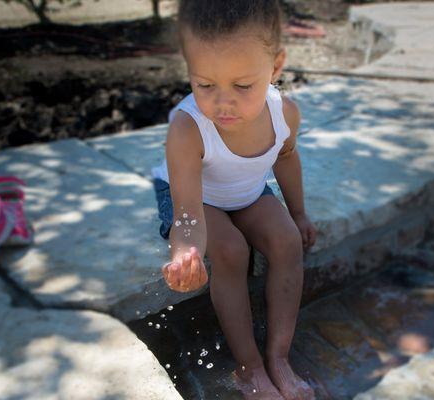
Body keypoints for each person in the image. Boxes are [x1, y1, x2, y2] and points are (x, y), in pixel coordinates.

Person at [151, 1, 317, 398]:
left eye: (243, 86)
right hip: (194, 194)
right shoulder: (186, 128)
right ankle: (250, 367)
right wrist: (186, 252)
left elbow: (286, 157)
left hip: (247, 189)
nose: (222, 102)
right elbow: (187, 212)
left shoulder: (284, 113)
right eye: (204, 84)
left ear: (275, 68)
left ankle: (279, 357)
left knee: (287, 241)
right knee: (229, 250)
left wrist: (298, 213)